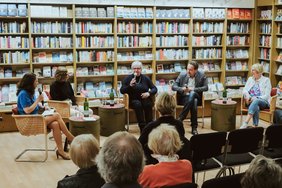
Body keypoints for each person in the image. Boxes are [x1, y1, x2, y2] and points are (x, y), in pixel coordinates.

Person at [16, 73, 74, 160]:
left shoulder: (30, 91)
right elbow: (27, 110)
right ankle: (71, 138)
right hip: (29, 121)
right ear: (30, 82)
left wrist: (42, 106)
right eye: (36, 81)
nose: (37, 82)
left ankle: (61, 151)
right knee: (57, 115)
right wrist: (38, 100)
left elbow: (33, 105)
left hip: (36, 117)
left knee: (55, 124)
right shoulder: (23, 94)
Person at [139, 91, 191, 165]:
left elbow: (138, 146)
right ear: (173, 106)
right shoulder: (179, 124)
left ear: (157, 107)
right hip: (175, 164)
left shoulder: (150, 127)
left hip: (154, 166)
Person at [172, 61, 208, 135]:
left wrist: (193, 89)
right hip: (184, 98)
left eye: (190, 70)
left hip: (197, 96)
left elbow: (206, 87)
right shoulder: (182, 74)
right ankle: (194, 128)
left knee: (193, 94)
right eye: (187, 69)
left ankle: (181, 118)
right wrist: (182, 88)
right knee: (193, 102)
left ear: (196, 70)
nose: (188, 71)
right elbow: (174, 86)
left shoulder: (202, 75)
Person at [120, 61, 157, 132]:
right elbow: (122, 90)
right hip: (133, 99)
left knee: (148, 104)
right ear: (132, 69)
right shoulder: (127, 79)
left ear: (141, 69)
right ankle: (142, 127)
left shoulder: (145, 78)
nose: (136, 70)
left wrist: (148, 93)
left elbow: (154, 89)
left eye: (138, 68)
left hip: (144, 98)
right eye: (134, 68)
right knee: (138, 104)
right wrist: (130, 86)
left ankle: (149, 126)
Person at [240, 63, 272, 128]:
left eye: (255, 73)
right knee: (256, 106)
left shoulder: (266, 80)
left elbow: (267, 95)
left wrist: (256, 98)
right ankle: (255, 126)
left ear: (260, 72)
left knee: (256, 100)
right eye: (253, 73)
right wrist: (248, 97)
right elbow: (244, 90)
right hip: (250, 101)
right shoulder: (250, 79)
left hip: (264, 102)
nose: (253, 75)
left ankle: (245, 122)